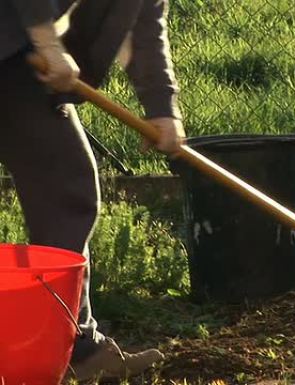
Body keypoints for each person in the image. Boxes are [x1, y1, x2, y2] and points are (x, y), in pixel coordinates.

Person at [0, 0, 186, 381]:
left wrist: (162, 107)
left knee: (67, 189)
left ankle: (72, 346)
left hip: (15, 54)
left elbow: (142, 13)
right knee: (67, 184)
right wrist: (48, 44)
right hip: (16, 44)